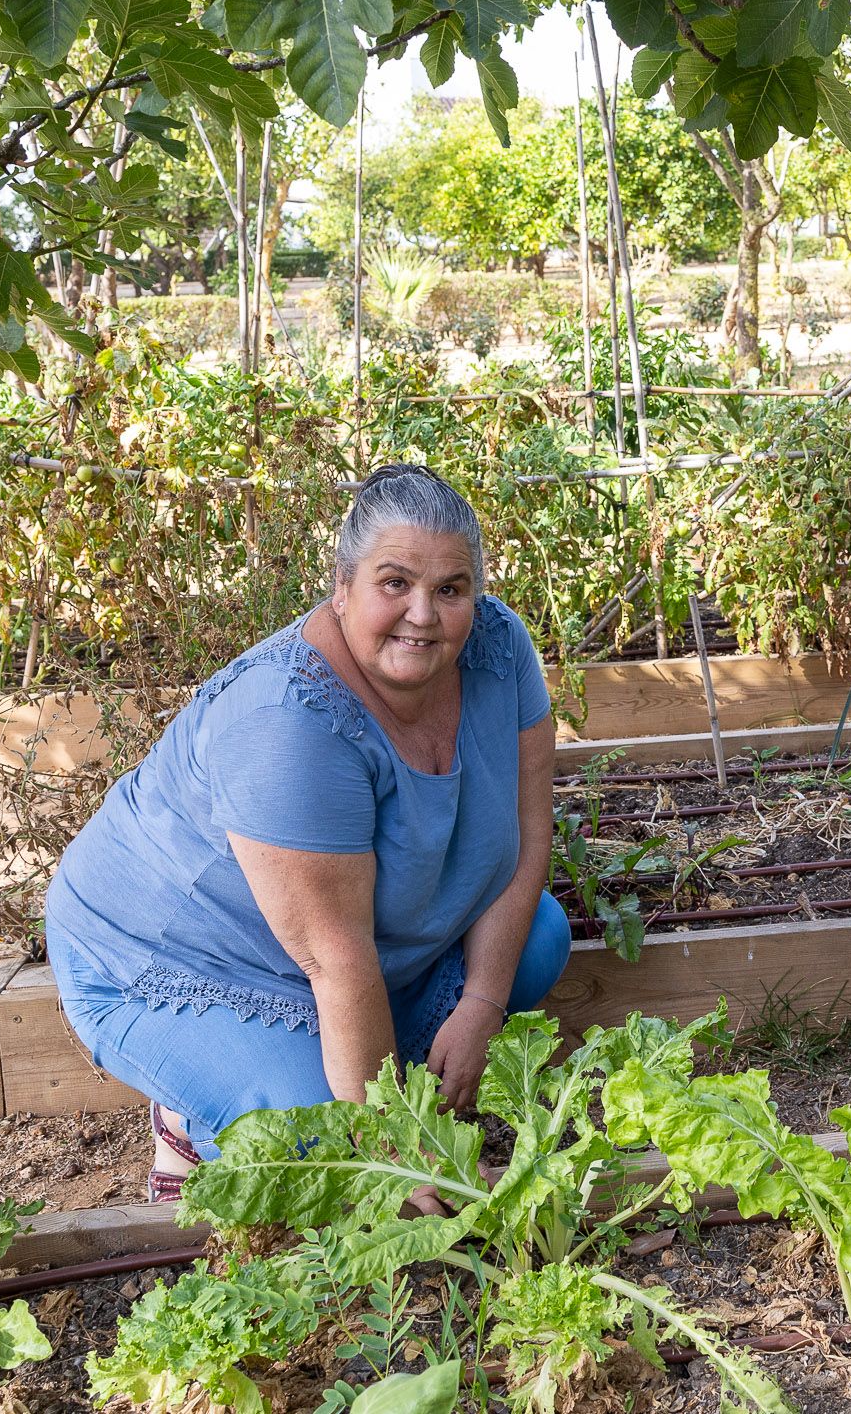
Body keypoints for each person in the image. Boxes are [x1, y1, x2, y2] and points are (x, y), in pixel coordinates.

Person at [44, 464, 569, 1199]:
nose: (423, 613)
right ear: (342, 583)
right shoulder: (286, 719)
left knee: (534, 940)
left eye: (450, 589)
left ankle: (336, 1067)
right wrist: (400, 1157)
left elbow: (527, 827)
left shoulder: (500, 651)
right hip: (183, 960)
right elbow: (335, 957)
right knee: (329, 1162)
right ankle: (193, 1113)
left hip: (357, 944)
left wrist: (482, 1003)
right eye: (395, 583)